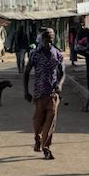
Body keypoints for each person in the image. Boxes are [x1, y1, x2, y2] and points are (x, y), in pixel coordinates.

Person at [24, 28, 64, 161]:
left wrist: (60, 84)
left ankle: (46, 148)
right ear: (42, 39)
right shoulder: (35, 54)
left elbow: (62, 72)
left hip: (52, 94)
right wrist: (26, 91)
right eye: (46, 39)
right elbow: (26, 72)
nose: (48, 42)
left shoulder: (57, 54)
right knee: (38, 121)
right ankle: (37, 137)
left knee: (50, 122)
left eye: (51, 39)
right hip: (38, 94)